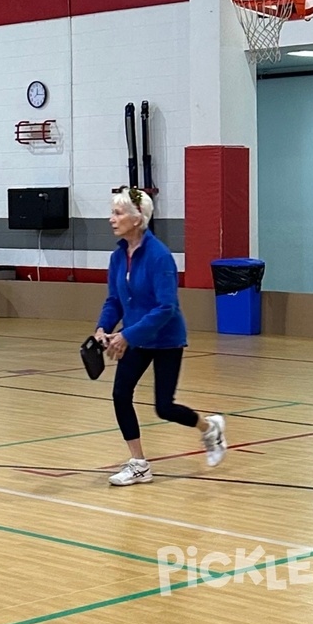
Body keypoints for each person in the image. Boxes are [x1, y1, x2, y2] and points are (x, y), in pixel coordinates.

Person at [94, 186, 227, 486]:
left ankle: (209, 428)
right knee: (120, 395)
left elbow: (166, 307)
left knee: (164, 407)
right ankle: (139, 463)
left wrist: (126, 335)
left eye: (117, 213)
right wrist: (103, 328)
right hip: (135, 337)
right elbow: (114, 299)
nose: (111, 219)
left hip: (165, 338)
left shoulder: (159, 257)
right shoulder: (118, 257)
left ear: (137, 219)